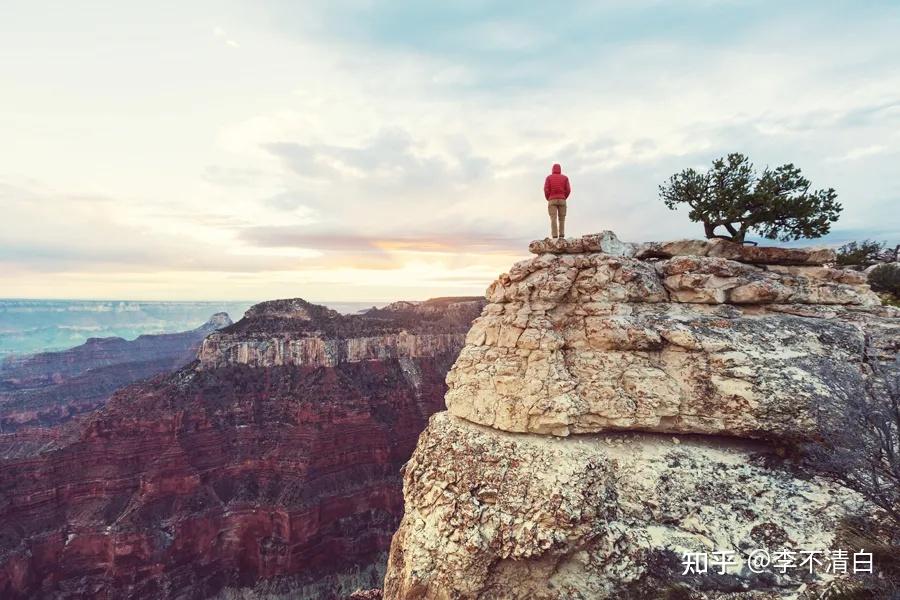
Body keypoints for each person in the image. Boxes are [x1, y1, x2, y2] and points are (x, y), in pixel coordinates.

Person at [543, 163, 570, 239]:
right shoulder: (565, 178)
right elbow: (568, 190)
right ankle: (561, 236)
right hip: (562, 199)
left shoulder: (549, 178)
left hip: (552, 200)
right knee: (562, 218)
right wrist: (564, 197)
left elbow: (546, 189)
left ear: (552, 169)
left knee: (553, 218)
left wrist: (548, 198)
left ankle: (554, 237)